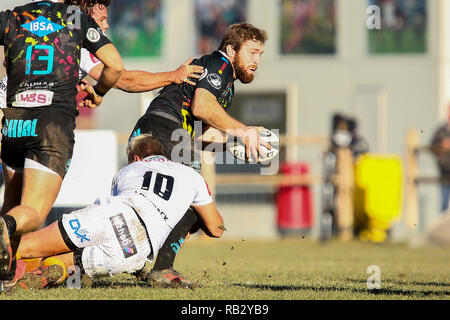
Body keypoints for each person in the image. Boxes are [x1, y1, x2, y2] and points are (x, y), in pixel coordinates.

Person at [129, 22, 268, 287]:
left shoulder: (226, 85)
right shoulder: (219, 65)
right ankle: (162, 269)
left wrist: (236, 145)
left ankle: (87, 260)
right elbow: (203, 107)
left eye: (260, 54)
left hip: (152, 132)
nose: (257, 60)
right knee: (196, 201)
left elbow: (203, 138)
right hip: (163, 129)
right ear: (231, 48)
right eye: (252, 52)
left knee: (150, 207)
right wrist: (243, 130)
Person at [0, 0, 123, 294]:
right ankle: (3, 230)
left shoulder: (14, 16)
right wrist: (100, 91)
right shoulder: (74, 17)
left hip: (14, 121)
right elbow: (116, 66)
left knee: (12, 206)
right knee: (29, 212)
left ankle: (5, 279)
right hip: (52, 122)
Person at [15, 134, 224, 291]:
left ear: (136, 157)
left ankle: (27, 265)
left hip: (110, 214)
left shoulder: (126, 171)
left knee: (27, 246)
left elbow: (112, 219)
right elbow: (216, 229)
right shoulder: (191, 175)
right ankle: (58, 269)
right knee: (70, 261)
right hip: (135, 249)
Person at [430, 105, 450, 213]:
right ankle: (444, 229)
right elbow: (432, 146)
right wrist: (440, 153)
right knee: (444, 202)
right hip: (444, 172)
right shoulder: (441, 131)